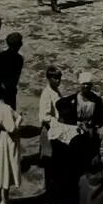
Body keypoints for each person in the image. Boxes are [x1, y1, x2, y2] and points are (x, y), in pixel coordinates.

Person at [38, 67, 63, 195]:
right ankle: (48, 189)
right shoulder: (46, 94)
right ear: (49, 78)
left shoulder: (56, 91)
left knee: (55, 160)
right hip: (48, 130)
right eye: (55, 78)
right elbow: (44, 116)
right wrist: (57, 122)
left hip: (56, 130)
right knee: (49, 160)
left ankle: (53, 187)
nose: (58, 80)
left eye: (59, 78)